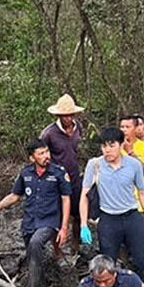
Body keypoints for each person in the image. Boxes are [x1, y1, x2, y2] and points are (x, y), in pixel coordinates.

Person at [0, 139, 71, 287]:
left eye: (47, 152)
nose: (46, 156)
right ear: (32, 157)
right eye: (41, 153)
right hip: (30, 221)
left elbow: (66, 199)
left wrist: (64, 227)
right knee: (32, 253)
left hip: (50, 220)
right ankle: (41, 286)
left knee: (36, 243)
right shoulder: (26, 173)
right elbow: (15, 196)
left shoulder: (58, 173)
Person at [79, 127, 144, 287]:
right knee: (108, 264)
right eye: (104, 146)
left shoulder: (133, 165)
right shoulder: (95, 165)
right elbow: (84, 196)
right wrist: (83, 225)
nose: (107, 150)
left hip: (132, 216)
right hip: (108, 219)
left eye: (111, 145)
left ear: (121, 145)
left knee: (142, 261)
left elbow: (143, 193)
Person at [41, 94, 84, 249]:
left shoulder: (78, 127)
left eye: (71, 115)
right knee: (58, 216)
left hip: (75, 177)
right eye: (65, 115)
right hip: (57, 180)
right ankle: (57, 251)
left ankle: (76, 245)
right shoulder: (48, 134)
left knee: (78, 213)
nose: (68, 118)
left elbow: (78, 149)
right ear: (58, 115)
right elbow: (40, 156)